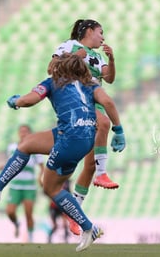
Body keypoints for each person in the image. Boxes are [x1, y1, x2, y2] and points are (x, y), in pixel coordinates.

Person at [0, 53, 125, 252]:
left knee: (51, 188)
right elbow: (108, 103)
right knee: (26, 144)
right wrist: (118, 129)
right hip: (84, 138)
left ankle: (88, 227)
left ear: (62, 67)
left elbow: (28, 100)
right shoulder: (91, 84)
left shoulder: (53, 82)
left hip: (69, 140)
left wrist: (15, 101)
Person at [49, 19, 118, 235]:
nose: (103, 37)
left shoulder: (96, 57)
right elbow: (52, 68)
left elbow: (110, 78)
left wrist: (112, 59)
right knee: (105, 122)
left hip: (93, 104)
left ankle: (74, 213)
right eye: (100, 32)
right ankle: (102, 173)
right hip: (77, 102)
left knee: (88, 166)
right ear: (89, 31)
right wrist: (73, 58)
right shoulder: (69, 46)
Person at [2, 124, 44, 242]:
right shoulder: (12, 147)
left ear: (30, 133)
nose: (23, 133)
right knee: (10, 211)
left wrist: (41, 177)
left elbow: (42, 167)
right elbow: (10, 161)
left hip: (29, 187)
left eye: (26, 131)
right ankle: (16, 224)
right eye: (21, 131)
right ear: (18, 133)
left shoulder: (36, 148)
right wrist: (3, 166)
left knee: (28, 213)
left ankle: (30, 239)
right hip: (15, 186)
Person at [48, 179, 71, 243]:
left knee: (65, 224)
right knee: (55, 226)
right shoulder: (53, 181)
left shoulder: (67, 182)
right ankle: (49, 238)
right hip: (53, 207)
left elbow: (69, 193)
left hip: (62, 206)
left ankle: (66, 240)